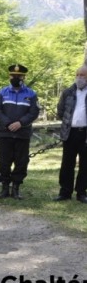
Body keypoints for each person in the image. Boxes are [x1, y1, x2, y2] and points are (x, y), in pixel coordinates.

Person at [0, 64, 40, 200]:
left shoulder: (31, 94)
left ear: (24, 77)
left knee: (21, 162)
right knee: (3, 161)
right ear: (9, 76)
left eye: (19, 76)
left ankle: (16, 188)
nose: (16, 78)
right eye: (13, 75)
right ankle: (5, 187)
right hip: (4, 133)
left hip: (22, 134)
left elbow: (34, 112)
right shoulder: (2, 93)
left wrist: (20, 123)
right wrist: (7, 123)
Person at [53, 65, 87, 204]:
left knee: (85, 165)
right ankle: (65, 192)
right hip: (70, 132)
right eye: (78, 75)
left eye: (83, 76)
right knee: (67, 163)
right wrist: (68, 122)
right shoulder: (68, 92)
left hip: (85, 133)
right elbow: (60, 111)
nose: (79, 78)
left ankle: (81, 192)